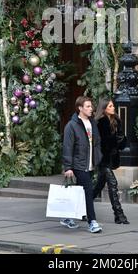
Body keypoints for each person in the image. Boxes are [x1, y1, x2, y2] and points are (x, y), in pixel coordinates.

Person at [61, 96, 103, 233]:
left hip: (90, 164)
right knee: (88, 191)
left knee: (79, 193)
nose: (91, 109)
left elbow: (96, 143)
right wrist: (68, 167)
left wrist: (98, 158)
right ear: (80, 108)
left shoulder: (92, 123)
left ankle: (68, 217)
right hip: (79, 165)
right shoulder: (71, 126)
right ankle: (92, 222)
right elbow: (68, 147)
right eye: (88, 106)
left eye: (91, 106)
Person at [93, 97, 130, 224]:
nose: (113, 107)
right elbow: (101, 143)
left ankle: (82, 208)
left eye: (112, 105)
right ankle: (119, 215)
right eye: (110, 106)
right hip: (103, 158)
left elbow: (119, 140)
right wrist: (114, 142)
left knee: (98, 186)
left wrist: (121, 140)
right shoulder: (99, 122)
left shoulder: (116, 120)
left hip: (111, 157)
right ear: (103, 109)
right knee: (112, 184)